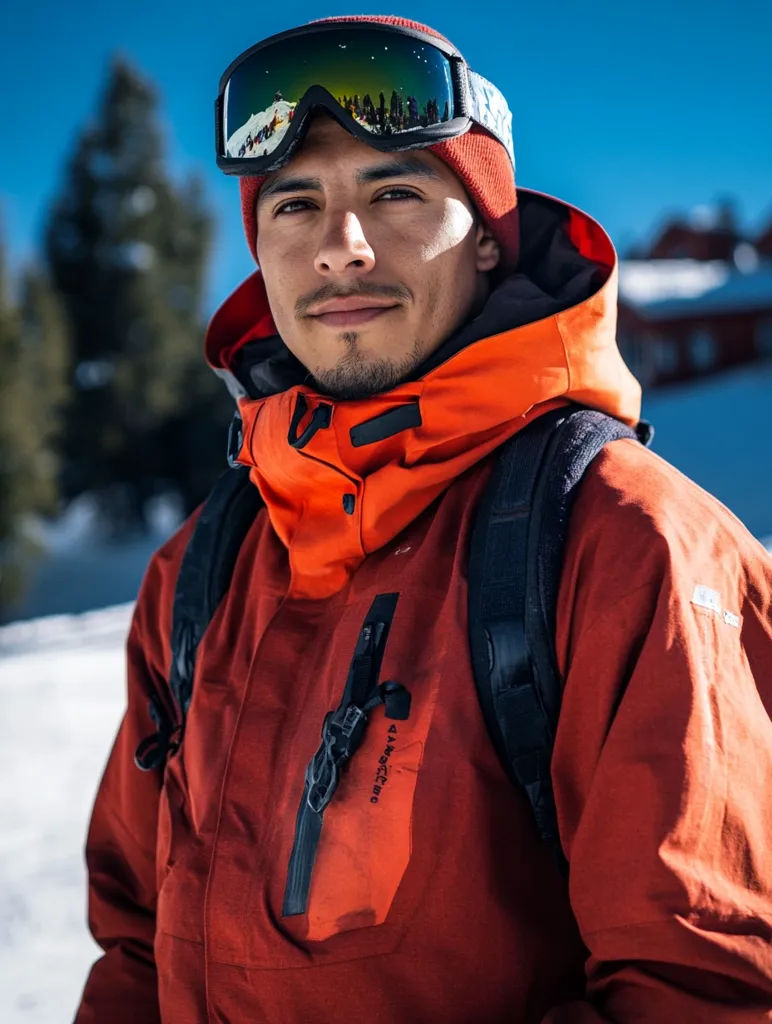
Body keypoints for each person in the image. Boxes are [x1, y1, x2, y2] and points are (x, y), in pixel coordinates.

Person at [75, 15, 772, 1024]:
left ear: (487, 241)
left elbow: (703, 990)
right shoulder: (199, 570)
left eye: (394, 193)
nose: (339, 248)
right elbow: (135, 950)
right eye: (296, 204)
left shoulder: (626, 542)